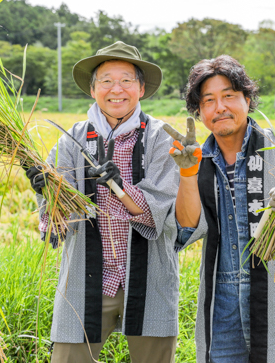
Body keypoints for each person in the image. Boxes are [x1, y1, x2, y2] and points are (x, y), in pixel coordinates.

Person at [164, 55, 275, 363]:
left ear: (248, 99)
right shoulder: (195, 160)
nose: (219, 107)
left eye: (229, 96)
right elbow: (186, 229)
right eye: (208, 101)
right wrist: (188, 175)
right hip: (222, 310)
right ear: (199, 112)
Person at [25, 41, 179, 363]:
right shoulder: (72, 139)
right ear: (93, 89)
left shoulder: (160, 138)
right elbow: (59, 219)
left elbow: (162, 211)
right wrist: (48, 192)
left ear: (141, 87)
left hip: (149, 279)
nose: (116, 89)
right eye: (106, 80)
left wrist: (121, 188)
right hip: (87, 278)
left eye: (126, 79)